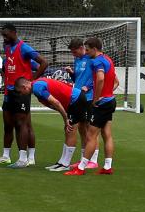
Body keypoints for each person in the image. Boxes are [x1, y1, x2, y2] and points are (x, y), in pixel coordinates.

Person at [66, 36, 116, 176]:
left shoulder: (96, 62)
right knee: (107, 134)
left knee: (91, 135)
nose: (86, 52)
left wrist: (96, 98)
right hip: (110, 101)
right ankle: (107, 166)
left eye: (87, 49)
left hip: (101, 103)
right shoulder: (108, 59)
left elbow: (100, 79)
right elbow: (113, 80)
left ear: (94, 49)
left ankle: (81, 167)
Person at [0, 23, 43, 168]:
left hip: (21, 92)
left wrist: (31, 80)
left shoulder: (24, 48)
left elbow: (44, 63)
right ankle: (5, 156)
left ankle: (25, 158)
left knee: (22, 124)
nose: (4, 38)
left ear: (13, 33)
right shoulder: (7, 46)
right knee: (8, 124)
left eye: (6, 35)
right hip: (9, 92)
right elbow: (6, 66)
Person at [13, 75, 77, 172]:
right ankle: (62, 162)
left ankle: (67, 163)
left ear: (24, 87)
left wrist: (65, 119)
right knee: (69, 131)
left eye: (20, 92)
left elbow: (56, 102)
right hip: (74, 100)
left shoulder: (37, 88)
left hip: (76, 100)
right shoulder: (37, 86)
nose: (21, 95)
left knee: (71, 131)